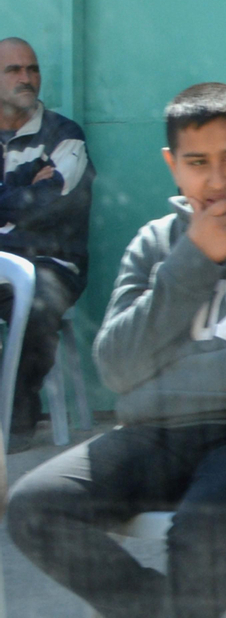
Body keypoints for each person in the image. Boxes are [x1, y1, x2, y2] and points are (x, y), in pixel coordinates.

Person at [7, 83, 226, 618]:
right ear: (173, 165)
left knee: (208, 524)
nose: (216, 180)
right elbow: (116, 363)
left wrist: (150, 393)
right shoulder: (157, 242)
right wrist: (191, 261)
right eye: (197, 163)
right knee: (35, 507)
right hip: (166, 434)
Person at [0, 36, 94, 449]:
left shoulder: (64, 135)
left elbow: (52, 205)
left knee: (35, 299)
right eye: (14, 70)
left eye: (32, 69)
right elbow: (32, 200)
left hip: (52, 263)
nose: (27, 78)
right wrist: (22, 188)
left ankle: (17, 418)